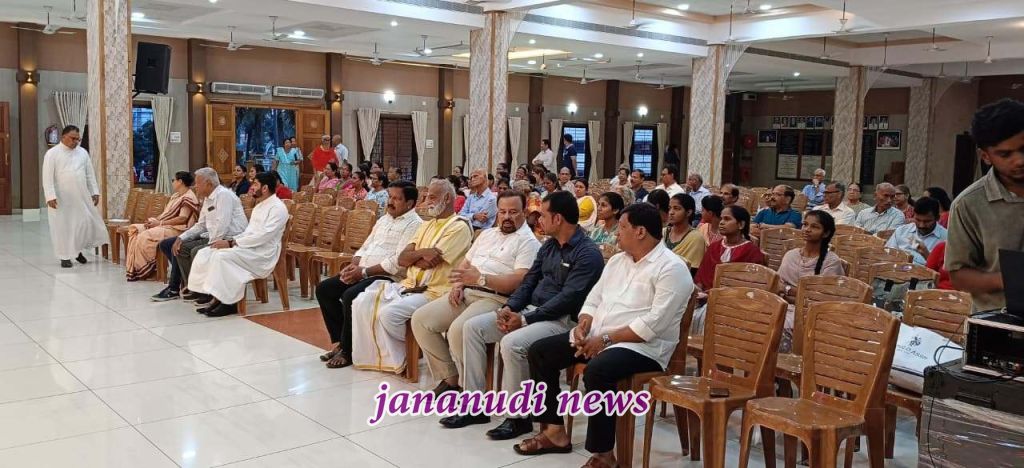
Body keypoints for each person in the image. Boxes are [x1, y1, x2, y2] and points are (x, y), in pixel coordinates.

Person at [517, 203, 692, 468]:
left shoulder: (671, 268)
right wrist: (584, 324)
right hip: (599, 336)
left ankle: (604, 455)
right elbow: (594, 298)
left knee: (598, 370)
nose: (616, 234)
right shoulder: (618, 261)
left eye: (622, 227)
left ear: (640, 231)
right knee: (541, 351)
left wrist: (606, 340)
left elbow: (653, 325)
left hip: (643, 348)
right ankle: (554, 432)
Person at [458, 190, 604, 438]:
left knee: (512, 343)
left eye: (543, 215)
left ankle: (518, 417)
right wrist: (509, 308)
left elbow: (568, 298)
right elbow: (528, 282)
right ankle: (474, 406)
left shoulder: (587, 253)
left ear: (557, 219)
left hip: (562, 321)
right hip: (531, 311)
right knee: (473, 328)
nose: (538, 220)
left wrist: (525, 319)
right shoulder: (549, 246)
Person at [411, 191, 540, 397]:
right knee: (421, 319)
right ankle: (450, 378)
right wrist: (458, 285)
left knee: (459, 330)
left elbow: (518, 281)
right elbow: (465, 265)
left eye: (513, 212)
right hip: (467, 291)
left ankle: (472, 391)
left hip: (496, 297)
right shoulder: (487, 234)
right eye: (502, 212)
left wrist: (481, 279)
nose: (507, 217)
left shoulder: (528, 242)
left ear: (524, 212)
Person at [350, 178, 473, 373]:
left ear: (447, 198)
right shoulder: (426, 225)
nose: (427, 201)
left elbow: (430, 262)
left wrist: (414, 257)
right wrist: (421, 254)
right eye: (426, 197)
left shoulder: (459, 227)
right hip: (410, 284)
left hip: (435, 291)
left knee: (389, 315)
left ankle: (412, 349)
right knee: (361, 302)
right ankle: (395, 354)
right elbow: (402, 259)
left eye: (432, 197)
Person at [315, 181, 423, 369]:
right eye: (390, 197)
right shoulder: (384, 219)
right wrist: (353, 265)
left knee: (350, 295)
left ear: (410, 203)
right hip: (363, 270)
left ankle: (348, 351)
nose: (390, 202)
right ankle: (341, 342)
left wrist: (363, 272)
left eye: (396, 199)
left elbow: (397, 262)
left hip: (387, 277)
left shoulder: (415, 225)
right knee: (325, 289)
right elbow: (366, 245)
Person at [947, 98, 1024, 312]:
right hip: (999, 320)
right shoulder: (968, 204)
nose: (1019, 160)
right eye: (1005, 154)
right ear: (986, 156)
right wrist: (1011, 279)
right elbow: (958, 276)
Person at [187, 172, 289, 317]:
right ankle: (215, 297)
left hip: (263, 253)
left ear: (265, 188)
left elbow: (263, 236)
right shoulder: (260, 206)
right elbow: (249, 232)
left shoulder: (278, 208)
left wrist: (232, 242)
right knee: (207, 252)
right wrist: (233, 241)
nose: (252, 187)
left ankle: (230, 303)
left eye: (255, 184)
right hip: (250, 247)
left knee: (222, 257)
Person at [152, 168, 247, 302]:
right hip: (211, 235)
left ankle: (204, 290)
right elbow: (201, 225)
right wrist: (181, 237)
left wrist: (210, 245)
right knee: (176, 245)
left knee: (195, 251)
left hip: (228, 238)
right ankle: (193, 286)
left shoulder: (223, 195)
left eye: (198, 183)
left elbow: (222, 225)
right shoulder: (208, 198)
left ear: (208, 183)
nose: (195, 186)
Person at [776, 211, 844, 351]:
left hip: (812, 314)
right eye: (805, 224)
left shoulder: (831, 261)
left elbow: (820, 299)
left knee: (777, 325)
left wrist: (788, 290)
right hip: (784, 306)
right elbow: (777, 286)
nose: (807, 229)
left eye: (814, 227)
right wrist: (796, 295)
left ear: (826, 233)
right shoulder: (791, 255)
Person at [41, 125, 108, 268]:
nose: (76, 142)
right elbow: (47, 177)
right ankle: (64, 256)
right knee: (63, 227)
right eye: (73, 138)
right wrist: (50, 196)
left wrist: (94, 191)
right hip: (61, 199)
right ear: (63, 137)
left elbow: (89, 174)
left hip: (81, 196)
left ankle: (77, 251)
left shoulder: (82, 153)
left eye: (78, 139)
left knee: (82, 224)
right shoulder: (52, 154)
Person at [125, 171, 200, 281]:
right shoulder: (176, 196)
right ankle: (139, 268)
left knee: (144, 236)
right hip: (166, 225)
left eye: (173, 180)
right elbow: (166, 214)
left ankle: (148, 270)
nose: (172, 182)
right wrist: (154, 221)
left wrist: (159, 223)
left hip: (178, 229)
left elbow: (182, 219)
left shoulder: (188, 197)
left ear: (180, 182)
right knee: (135, 230)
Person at [694, 206, 765, 291]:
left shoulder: (752, 251)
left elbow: (753, 284)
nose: (721, 222)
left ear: (741, 225)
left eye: (727, 219)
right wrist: (699, 292)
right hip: (705, 295)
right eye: (721, 219)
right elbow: (701, 276)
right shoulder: (714, 247)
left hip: (734, 297)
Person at [885, 197, 947, 265]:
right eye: (917, 220)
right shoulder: (902, 231)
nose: (921, 225)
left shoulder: (946, 239)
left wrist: (927, 255)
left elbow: (943, 269)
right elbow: (887, 254)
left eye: (927, 221)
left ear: (937, 218)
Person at [665, 193, 705, 273]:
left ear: (688, 212)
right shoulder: (662, 233)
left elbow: (694, 270)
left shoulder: (696, 238)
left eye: (676, 208)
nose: (671, 212)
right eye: (669, 208)